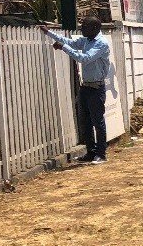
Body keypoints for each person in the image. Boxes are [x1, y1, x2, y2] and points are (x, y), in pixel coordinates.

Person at [40, 17, 112, 165]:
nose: (81, 28)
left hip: (96, 88)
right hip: (86, 86)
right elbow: (70, 42)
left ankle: (101, 154)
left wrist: (63, 48)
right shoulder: (86, 40)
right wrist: (48, 33)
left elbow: (84, 58)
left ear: (94, 28)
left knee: (97, 122)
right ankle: (91, 152)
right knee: (85, 121)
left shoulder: (101, 43)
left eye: (84, 26)